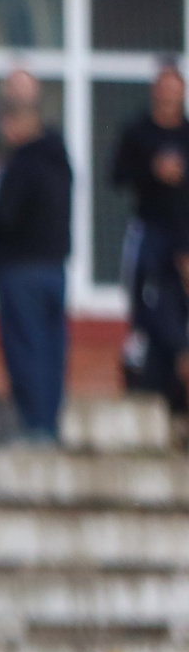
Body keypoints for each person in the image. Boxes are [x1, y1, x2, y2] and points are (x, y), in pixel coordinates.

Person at [0, 72, 74, 448]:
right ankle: (48, 426)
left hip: (19, 271)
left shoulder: (20, 165)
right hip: (54, 270)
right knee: (51, 351)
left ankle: (33, 427)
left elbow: (6, 218)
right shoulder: (60, 160)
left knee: (25, 349)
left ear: (17, 122)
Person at [110, 59, 189, 412]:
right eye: (163, 88)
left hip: (184, 236)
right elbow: (116, 176)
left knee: (177, 310)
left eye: (175, 89)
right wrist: (152, 171)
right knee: (145, 305)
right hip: (148, 231)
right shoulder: (138, 131)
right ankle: (141, 372)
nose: (169, 95)